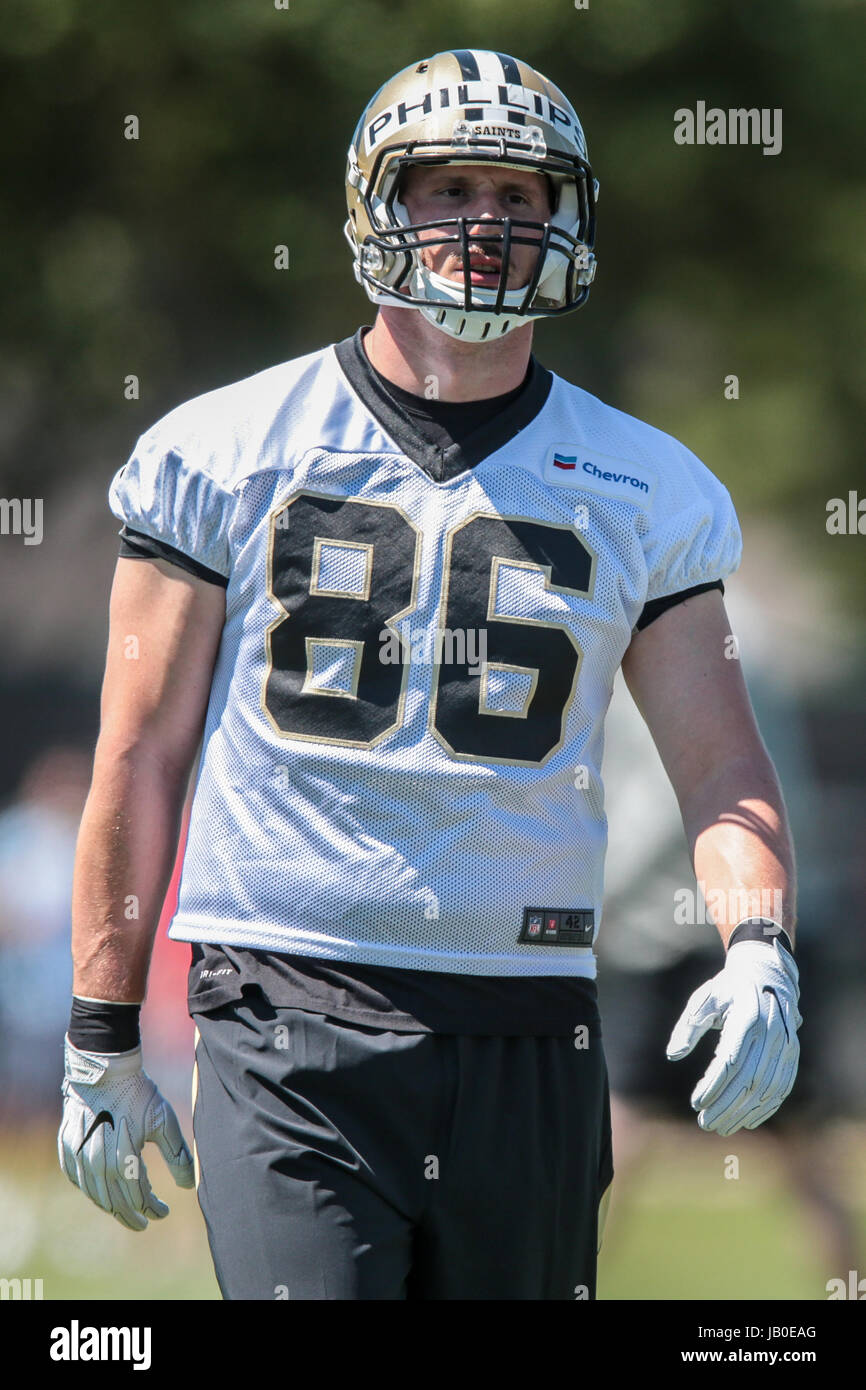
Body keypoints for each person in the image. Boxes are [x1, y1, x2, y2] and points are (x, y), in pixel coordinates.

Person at [58, 49, 801, 1301]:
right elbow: (139, 755)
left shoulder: (647, 485)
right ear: (376, 204)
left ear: (562, 219)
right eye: (448, 184)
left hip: (527, 1013)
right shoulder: (223, 450)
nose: (487, 223)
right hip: (283, 1007)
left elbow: (719, 762)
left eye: (519, 196)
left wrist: (758, 947)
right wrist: (100, 1032)